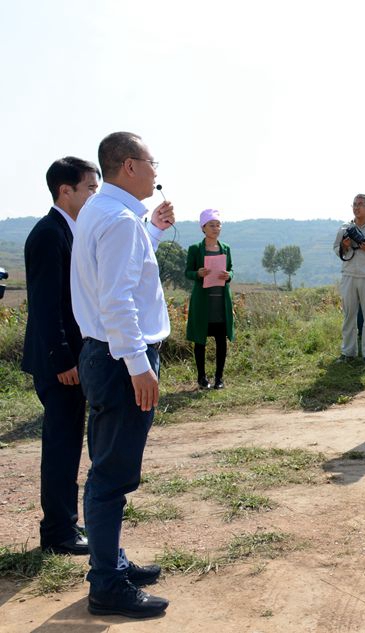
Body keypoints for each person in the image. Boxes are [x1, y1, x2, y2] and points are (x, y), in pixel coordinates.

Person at [71, 131, 174, 617]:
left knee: (106, 468)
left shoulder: (102, 211)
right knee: (112, 476)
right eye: (152, 162)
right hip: (119, 360)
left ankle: (110, 562)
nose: (156, 172)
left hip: (101, 354)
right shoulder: (118, 220)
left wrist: (152, 230)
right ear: (130, 166)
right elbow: (118, 300)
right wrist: (139, 365)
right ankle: (107, 586)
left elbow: (117, 274)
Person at [22, 157, 100, 556]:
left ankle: (65, 522)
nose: (94, 196)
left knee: (68, 442)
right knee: (61, 446)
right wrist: (63, 360)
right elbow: (46, 306)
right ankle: (57, 532)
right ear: (65, 191)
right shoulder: (49, 234)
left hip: (72, 359)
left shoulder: (71, 230)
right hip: (60, 364)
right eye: (90, 189)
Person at [185, 209, 234, 389]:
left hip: (221, 303)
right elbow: (187, 272)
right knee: (200, 341)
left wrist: (228, 275)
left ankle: (219, 379)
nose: (216, 228)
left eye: (218, 225)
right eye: (211, 225)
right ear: (203, 228)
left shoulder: (226, 248)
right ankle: (202, 378)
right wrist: (197, 273)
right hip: (202, 303)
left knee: (221, 341)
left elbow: (231, 269)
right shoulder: (195, 249)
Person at [332, 194, 365, 362]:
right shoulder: (345, 228)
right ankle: (348, 352)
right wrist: (344, 246)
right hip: (349, 275)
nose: (356, 207)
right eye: (354, 204)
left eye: (360, 204)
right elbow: (336, 249)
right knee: (349, 316)